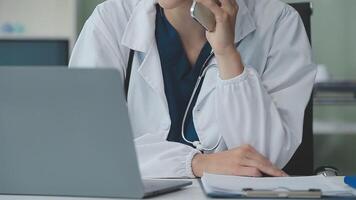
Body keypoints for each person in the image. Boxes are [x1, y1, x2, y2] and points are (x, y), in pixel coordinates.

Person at [69, 0, 316, 178]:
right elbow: (87, 145)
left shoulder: (279, 23)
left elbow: (262, 160)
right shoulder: (110, 20)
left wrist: (227, 54)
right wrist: (197, 163)